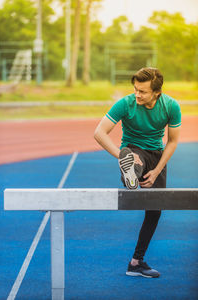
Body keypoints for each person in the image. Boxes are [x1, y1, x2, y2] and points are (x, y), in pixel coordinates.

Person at [94, 67, 181, 278]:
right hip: (133, 150)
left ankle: (136, 263)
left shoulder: (171, 106)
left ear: (156, 93)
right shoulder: (126, 103)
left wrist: (158, 170)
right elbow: (99, 132)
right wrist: (119, 154)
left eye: (142, 91)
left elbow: (173, 141)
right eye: (135, 89)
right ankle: (129, 172)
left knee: (155, 211)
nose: (137, 94)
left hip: (157, 155)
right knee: (135, 163)